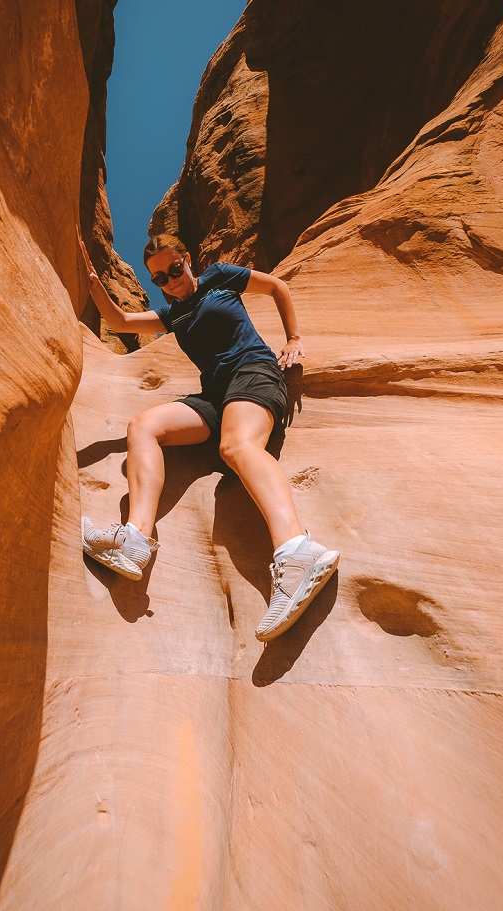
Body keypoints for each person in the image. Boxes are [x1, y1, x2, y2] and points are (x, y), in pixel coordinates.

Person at [77, 231, 339, 642]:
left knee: (236, 446)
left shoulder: (219, 277)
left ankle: (296, 552)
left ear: (188, 260)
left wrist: (293, 338)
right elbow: (121, 322)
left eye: (174, 270)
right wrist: (94, 284)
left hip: (253, 374)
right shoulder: (173, 315)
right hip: (214, 396)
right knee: (142, 426)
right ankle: (135, 539)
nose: (170, 281)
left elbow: (276, 286)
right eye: (159, 279)